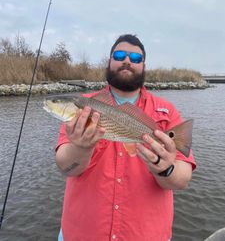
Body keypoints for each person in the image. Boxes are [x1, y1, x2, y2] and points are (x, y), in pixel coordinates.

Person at [55, 34, 196, 241]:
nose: (127, 61)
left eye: (136, 58)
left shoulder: (167, 112)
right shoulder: (84, 107)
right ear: (109, 61)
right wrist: (81, 149)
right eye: (119, 55)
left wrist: (166, 168)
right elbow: (65, 167)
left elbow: (182, 180)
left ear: (144, 66)